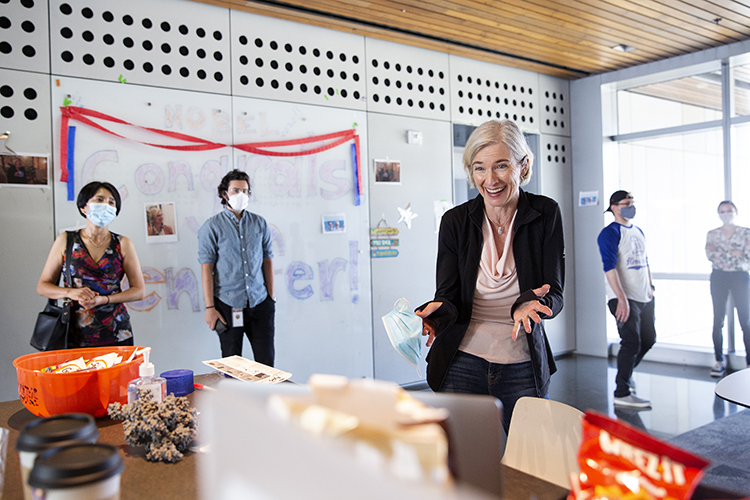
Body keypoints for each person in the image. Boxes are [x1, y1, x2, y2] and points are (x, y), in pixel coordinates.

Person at [416, 119, 564, 433]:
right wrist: (436, 314)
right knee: (465, 467)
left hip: (523, 362)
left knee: (533, 463)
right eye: (480, 168)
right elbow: (448, 295)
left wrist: (534, 304)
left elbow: (555, 292)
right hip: (462, 362)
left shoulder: (545, 213)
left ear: (523, 166)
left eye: (500, 166)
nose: (490, 179)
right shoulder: (455, 221)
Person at [37, 181, 146, 347]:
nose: (105, 205)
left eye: (111, 202)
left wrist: (103, 300)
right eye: (99, 199)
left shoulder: (123, 243)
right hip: (73, 331)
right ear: (83, 207)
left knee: (118, 373)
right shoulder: (66, 241)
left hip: (116, 330)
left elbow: (138, 291)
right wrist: (71, 293)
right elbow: (43, 287)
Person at [198, 170, 276, 365]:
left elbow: (267, 260)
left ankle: (266, 396)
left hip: (260, 302)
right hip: (227, 304)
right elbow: (207, 268)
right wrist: (210, 307)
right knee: (232, 364)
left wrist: (271, 297)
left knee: (266, 362)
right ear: (225, 193)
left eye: (245, 191)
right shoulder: (211, 227)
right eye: (236, 190)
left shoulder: (259, 223)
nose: (241, 195)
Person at [597, 190, 656, 409]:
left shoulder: (638, 231)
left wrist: (650, 286)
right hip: (624, 298)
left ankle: (626, 374)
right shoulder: (610, 233)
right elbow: (609, 268)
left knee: (649, 339)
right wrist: (621, 298)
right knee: (631, 342)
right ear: (614, 206)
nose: (631, 206)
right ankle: (621, 392)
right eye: (626, 203)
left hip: (644, 297)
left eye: (632, 202)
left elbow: (645, 261)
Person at [705, 200, 750, 377]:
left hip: (740, 277)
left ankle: (748, 363)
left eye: (729, 211)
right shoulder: (712, 233)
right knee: (718, 320)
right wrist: (735, 252)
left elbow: (747, 255)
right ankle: (718, 361)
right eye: (722, 211)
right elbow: (710, 255)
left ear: (736, 212)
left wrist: (724, 252)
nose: (726, 214)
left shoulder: (745, 232)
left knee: (746, 321)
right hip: (719, 277)